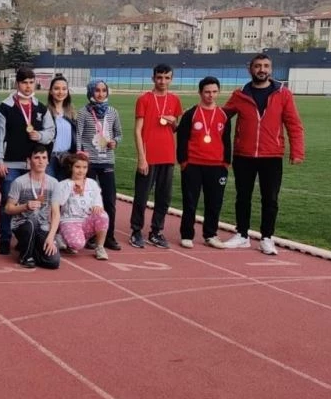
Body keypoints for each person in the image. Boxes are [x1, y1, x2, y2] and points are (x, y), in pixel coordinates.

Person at [223, 54, 305, 255]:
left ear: (271, 69)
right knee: (243, 196)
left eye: (266, 66)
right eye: (258, 66)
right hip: (244, 155)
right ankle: (242, 235)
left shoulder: (283, 94)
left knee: (270, 198)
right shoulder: (240, 94)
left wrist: (297, 151)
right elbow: (221, 117)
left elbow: (293, 124)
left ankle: (267, 238)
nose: (262, 69)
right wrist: (198, 115)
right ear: (250, 69)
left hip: (272, 155)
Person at [0, 67, 54, 255]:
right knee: (8, 200)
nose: (28, 86)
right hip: (10, 164)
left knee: (34, 202)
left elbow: (51, 132)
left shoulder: (41, 108)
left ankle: (25, 238)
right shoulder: (5, 107)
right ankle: (5, 238)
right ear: (17, 83)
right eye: (24, 82)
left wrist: (40, 136)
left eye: (31, 82)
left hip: (35, 166)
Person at [129, 63, 182, 249]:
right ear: (153, 78)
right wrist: (141, 157)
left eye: (167, 78)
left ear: (171, 79)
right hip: (148, 156)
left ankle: (156, 231)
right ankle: (136, 230)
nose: (163, 81)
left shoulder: (175, 100)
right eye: (159, 77)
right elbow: (137, 130)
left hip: (167, 156)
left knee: (164, 197)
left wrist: (174, 122)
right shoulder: (144, 99)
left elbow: (175, 128)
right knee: (142, 196)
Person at [176, 76, 231, 249]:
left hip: (217, 166)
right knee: (190, 201)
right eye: (207, 92)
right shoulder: (191, 114)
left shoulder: (223, 115)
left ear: (219, 92)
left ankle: (211, 234)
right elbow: (182, 138)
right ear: (200, 93)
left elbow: (227, 140)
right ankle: (187, 235)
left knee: (214, 202)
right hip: (193, 164)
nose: (211, 95)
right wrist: (183, 161)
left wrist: (226, 162)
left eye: (214, 92)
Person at [76, 79, 122, 251]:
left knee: (109, 200)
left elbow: (118, 133)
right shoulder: (83, 113)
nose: (101, 94)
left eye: (104, 90)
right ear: (90, 92)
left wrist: (115, 142)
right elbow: (78, 136)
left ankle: (109, 236)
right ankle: (90, 236)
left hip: (107, 161)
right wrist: (80, 155)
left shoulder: (113, 112)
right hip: (89, 163)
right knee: (89, 200)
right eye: (97, 90)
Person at [4, 144, 62, 269]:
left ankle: (32, 248)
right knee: (30, 223)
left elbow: (56, 213)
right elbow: (8, 209)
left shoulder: (54, 183)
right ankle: (25, 256)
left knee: (54, 262)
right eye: (36, 158)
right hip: (22, 224)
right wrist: (25, 206)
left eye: (44, 158)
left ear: (48, 161)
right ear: (29, 161)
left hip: (43, 227)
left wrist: (51, 237)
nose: (41, 161)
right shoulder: (19, 182)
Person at [58, 152, 110, 260]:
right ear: (71, 167)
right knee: (77, 245)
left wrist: (97, 206)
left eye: (84, 167)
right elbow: (60, 202)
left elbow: (98, 200)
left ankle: (100, 247)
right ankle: (62, 237)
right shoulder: (63, 184)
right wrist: (71, 185)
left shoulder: (92, 183)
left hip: (86, 220)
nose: (81, 170)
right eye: (77, 167)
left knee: (103, 215)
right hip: (69, 221)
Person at [45, 75, 76, 181]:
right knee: (50, 189)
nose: (60, 92)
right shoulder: (44, 112)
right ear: (50, 91)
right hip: (49, 159)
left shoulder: (72, 113)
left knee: (65, 189)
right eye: (56, 88)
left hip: (67, 158)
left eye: (64, 89)